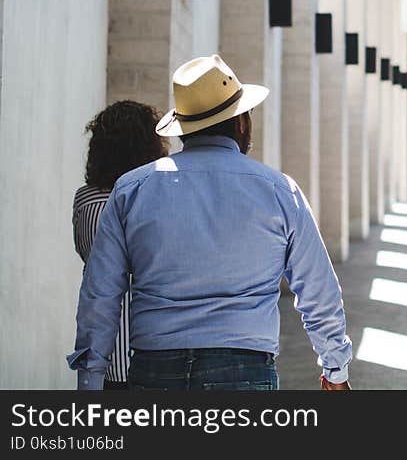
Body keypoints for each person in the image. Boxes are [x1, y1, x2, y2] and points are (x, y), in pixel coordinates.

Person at [68, 54, 352, 390]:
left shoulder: (132, 189)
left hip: (155, 368)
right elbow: (318, 289)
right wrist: (335, 369)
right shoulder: (279, 191)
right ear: (242, 122)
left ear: (183, 128)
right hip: (245, 368)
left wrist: (91, 380)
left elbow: (100, 293)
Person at [73, 101, 169, 389]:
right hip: (151, 350)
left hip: (104, 354)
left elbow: (89, 261)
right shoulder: (153, 201)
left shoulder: (85, 200)